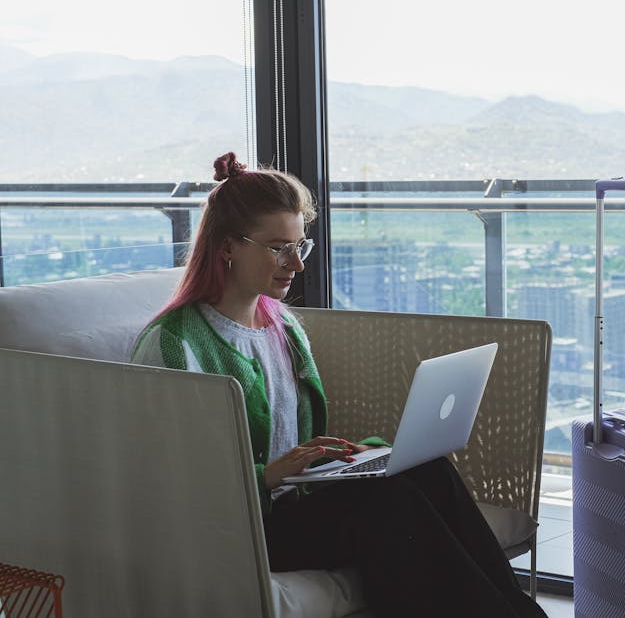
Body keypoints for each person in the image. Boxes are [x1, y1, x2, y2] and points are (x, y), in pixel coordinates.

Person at [131, 152, 547, 618]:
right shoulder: (174, 346)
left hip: (296, 503)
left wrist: (348, 459)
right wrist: (269, 475)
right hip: (241, 526)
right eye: (277, 248)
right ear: (228, 246)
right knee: (391, 506)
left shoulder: (282, 328)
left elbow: (297, 444)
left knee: (427, 471)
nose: (296, 264)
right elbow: (169, 482)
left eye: (299, 246)